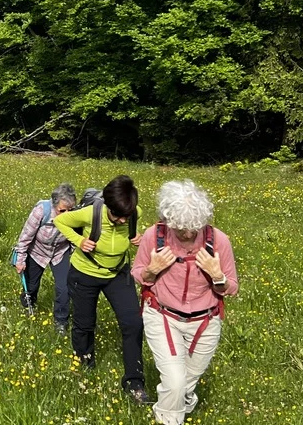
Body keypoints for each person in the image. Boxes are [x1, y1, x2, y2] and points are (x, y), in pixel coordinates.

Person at [132, 181, 237, 425]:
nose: (188, 235)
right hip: (163, 315)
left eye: (193, 228)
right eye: (180, 229)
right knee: (175, 382)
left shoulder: (219, 241)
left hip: (205, 322)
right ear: (167, 220)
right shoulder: (154, 236)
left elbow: (231, 287)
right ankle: (169, 419)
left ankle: (180, 401)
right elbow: (138, 274)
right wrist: (152, 269)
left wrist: (217, 276)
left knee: (185, 385)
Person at [52, 175, 148, 404]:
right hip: (85, 273)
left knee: (133, 323)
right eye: (118, 216)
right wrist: (79, 241)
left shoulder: (134, 213)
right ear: (108, 206)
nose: (123, 221)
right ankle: (85, 365)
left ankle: (134, 382)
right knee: (84, 324)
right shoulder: (90, 213)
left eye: (127, 216)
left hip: (117, 273)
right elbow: (60, 222)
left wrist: (136, 237)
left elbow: (131, 231)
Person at [13, 183, 77, 334]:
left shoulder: (74, 215)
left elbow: (76, 237)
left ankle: (61, 321)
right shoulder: (42, 211)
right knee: (31, 286)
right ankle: (28, 307)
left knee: (64, 287)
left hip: (60, 253)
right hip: (37, 252)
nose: (67, 214)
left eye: (70, 210)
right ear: (54, 204)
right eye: (62, 210)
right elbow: (25, 237)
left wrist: (74, 255)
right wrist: (20, 260)